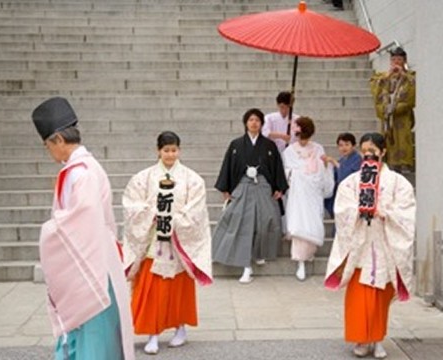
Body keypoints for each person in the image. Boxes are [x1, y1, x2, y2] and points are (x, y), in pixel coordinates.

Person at [31, 97, 134, 360]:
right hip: (96, 256)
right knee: (95, 332)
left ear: (58, 140)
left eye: (47, 146)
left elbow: (82, 219)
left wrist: (50, 230)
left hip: (89, 265)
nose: (49, 152)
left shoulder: (81, 172)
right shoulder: (85, 167)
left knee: (92, 334)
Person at [324, 132, 416, 359]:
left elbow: (406, 211)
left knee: (379, 295)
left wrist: (384, 213)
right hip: (361, 243)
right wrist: (359, 211)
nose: (368, 155)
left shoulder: (397, 182)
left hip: (385, 241)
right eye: (364, 151)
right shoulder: (352, 182)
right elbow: (342, 210)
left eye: (373, 151)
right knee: (360, 295)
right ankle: (361, 339)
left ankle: (377, 338)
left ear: (383, 152)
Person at [122, 131, 212, 355]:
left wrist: (175, 219)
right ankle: (153, 333)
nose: (170, 154)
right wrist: (153, 213)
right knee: (152, 290)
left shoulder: (192, 179)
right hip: (154, 241)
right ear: (158, 151)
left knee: (178, 291)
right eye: (166, 150)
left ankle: (180, 329)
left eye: (174, 150)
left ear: (179, 150)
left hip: (178, 244)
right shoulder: (144, 177)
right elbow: (132, 204)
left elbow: (196, 210)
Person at [212, 108, 288, 284]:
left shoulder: (269, 146)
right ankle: (246, 266)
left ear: (261, 124)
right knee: (241, 223)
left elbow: (277, 167)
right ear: (246, 123)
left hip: (263, 186)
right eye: (251, 120)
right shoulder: (236, 145)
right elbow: (228, 166)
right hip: (243, 185)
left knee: (264, 222)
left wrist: (279, 187)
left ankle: (260, 253)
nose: (254, 123)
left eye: (257, 120)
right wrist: (226, 188)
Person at [283, 116, 334, 281]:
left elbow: (323, 169)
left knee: (312, 221)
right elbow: (287, 170)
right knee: (299, 222)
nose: (302, 139)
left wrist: (324, 167)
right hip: (298, 192)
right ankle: (300, 262)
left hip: (313, 192)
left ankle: (309, 253)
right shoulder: (290, 150)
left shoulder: (318, 148)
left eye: (304, 135)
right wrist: (299, 173)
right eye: (299, 135)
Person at [370, 46, 416, 172]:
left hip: (402, 116)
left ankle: (405, 164)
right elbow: (375, 88)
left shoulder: (411, 76)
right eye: (394, 59)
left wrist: (404, 75)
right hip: (387, 118)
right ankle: (389, 164)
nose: (396, 62)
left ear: (404, 61)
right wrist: (388, 76)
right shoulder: (382, 76)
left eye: (399, 59)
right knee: (387, 138)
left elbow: (412, 92)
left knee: (403, 138)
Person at [323, 132, 362, 218]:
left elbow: (346, 175)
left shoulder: (357, 159)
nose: (344, 148)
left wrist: (334, 162)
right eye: (341, 145)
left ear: (353, 145)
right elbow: (336, 176)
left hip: (352, 193)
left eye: (347, 144)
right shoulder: (342, 159)